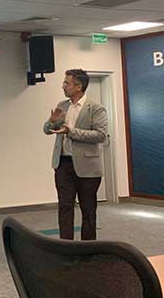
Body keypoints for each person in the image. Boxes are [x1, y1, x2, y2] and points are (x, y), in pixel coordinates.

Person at [44, 69, 107, 240]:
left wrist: (70, 132)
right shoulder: (62, 105)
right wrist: (51, 122)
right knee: (64, 207)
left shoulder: (96, 108)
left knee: (88, 209)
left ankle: (88, 248)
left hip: (88, 167)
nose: (63, 86)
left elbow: (100, 135)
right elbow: (47, 130)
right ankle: (66, 247)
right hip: (63, 164)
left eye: (67, 83)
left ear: (78, 87)